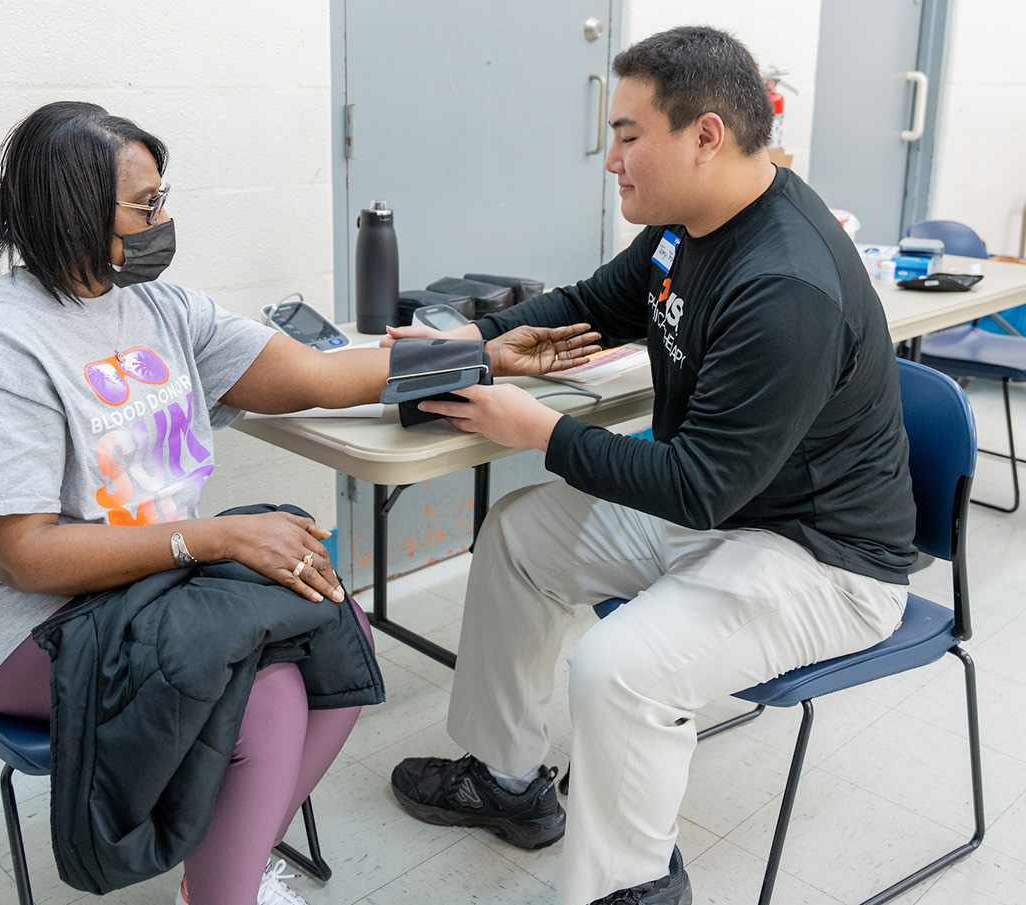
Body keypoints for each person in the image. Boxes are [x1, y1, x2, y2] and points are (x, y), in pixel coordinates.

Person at [0, 101, 598, 905]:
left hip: (150, 587)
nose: (164, 219)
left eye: (162, 198)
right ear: (73, 211)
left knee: (341, 635)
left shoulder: (163, 310)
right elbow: (21, 555)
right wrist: (217, 539)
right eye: (146, 205)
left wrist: (481, 353)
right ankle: (222, 884)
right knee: (262, 694)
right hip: (16, 619)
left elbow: (318, 375)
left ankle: (223, 865)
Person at [387, 26, 917, 905]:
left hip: (824, 558)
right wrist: (474, 338)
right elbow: (595, 303)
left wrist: (540, 433)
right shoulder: (685, 227)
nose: (611, 160)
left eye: (630, 135)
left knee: (619, 666)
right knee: (520, 533)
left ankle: (630, 888)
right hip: (731, 510)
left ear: (705, 135)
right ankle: (507, 778)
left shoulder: (786, 285)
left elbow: (696, 488)